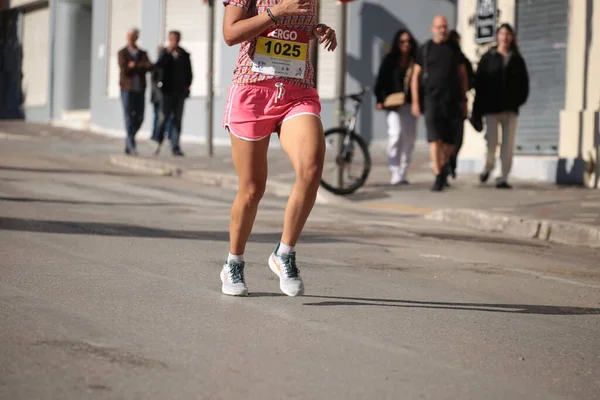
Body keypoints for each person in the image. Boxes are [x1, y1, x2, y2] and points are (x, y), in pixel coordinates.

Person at [220, 0, 337, 297]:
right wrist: (276, 12)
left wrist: (317, 30)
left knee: (311, 165)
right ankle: (234, 262)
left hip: (297, 90)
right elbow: (231, 34)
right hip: (253, 91)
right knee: (251, 189)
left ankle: (284, 252)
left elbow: (290, 31)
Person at [410, 15, 469, 192]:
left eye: (445, 27)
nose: (443, 30)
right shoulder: (425, 48)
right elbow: (415, 76)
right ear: (432, 28)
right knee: (435, 140)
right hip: (431, 101)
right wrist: (415, 101)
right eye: (439, 27)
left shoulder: (454, 48)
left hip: (452, 101)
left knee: (450, 142)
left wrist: (465, 99)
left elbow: (463, 75)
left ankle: (444, 165)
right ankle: (438, 175)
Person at [473, 24, 529, 189]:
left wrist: (518, 101)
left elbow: (524, 84)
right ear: (497, 36)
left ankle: (502, 177)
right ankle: (488, 166)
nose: (505, 38)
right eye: (502, 34)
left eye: (508, 34)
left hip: (510, 109)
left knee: (508, 144)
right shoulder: (488, 58)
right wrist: (479, 108)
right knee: (491, 142)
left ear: (512, 37)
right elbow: (479, 83)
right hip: (491, 109)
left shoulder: (517, 60)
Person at [374, 29, 418, 186]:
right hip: (392, 104)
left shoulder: (415, 61)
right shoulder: (390, 60)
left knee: (409, 138)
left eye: (408, 42)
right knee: (395, 135)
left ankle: (403, 171)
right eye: (402, 42)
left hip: (410, 104)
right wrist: (380, 99)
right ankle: (394, 170)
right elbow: (380, 80)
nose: (406, 45)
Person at [152, 31, 193, 157]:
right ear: (169, 40)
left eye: (176, 39)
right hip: (166, 92)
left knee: (177, 120)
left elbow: (189, 72)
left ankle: (175, 146)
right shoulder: (165, 53)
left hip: (179, 92)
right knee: (163, 118)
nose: (174, 41)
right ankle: (157, 141)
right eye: (172, 39)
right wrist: (166, 52)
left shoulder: (184, 54)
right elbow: (158, 66)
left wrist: (187, 84)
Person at [118, 27, 152, 156]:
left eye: (133, 36)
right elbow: (124, 69)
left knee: (140, 117)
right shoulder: (122, 52)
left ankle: (129, 139)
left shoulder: (142, 53)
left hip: (140, 89)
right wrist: (139, 66)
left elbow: (149, 66)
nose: (131, 39)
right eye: (129, 36)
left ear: (137, 38)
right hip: (127, 89)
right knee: (128, 116)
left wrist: (135, 65)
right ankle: (131, 145)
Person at [447, 29, 474, 181]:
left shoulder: (461, 58)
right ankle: (444, 168)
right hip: (443, 104)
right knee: (445, 139)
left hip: (458, 103)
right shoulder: (442, 57)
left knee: (457, 139)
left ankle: (451, 161)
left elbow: (470, 77)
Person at [150, 45, 174, 144]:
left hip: (162, 95)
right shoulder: (158, 66)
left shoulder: (166, 65)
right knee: (159, 117)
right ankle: (156, 136)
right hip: (158, 96)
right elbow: (155, 82)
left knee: (163, 117)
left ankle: (161, 136)